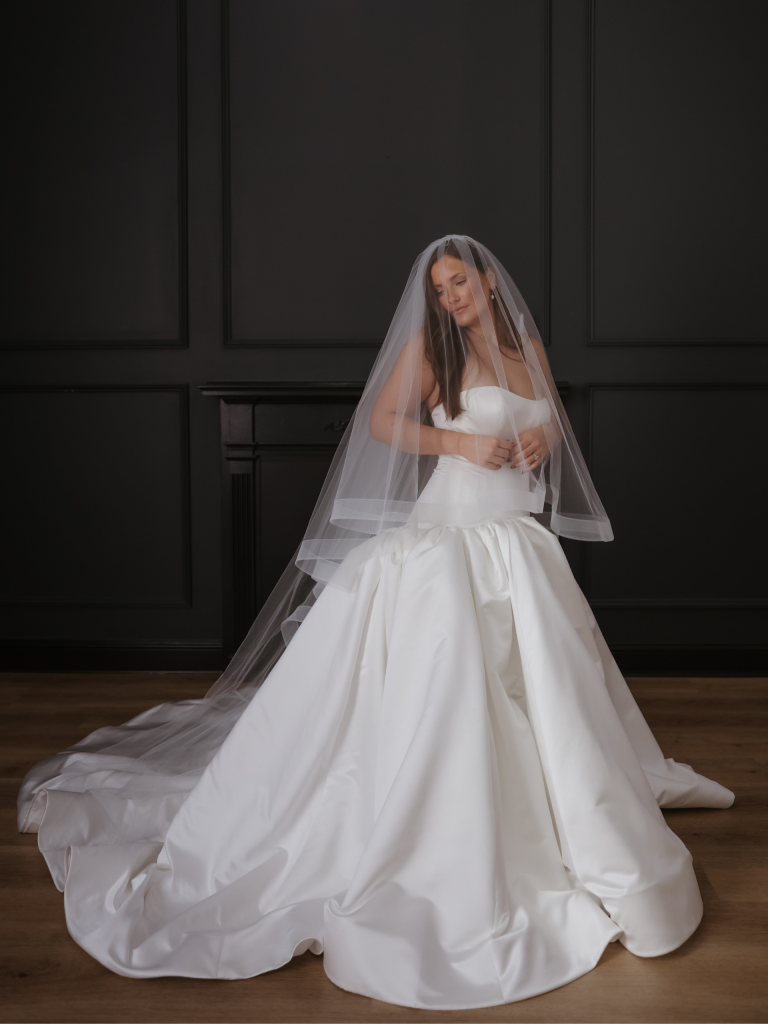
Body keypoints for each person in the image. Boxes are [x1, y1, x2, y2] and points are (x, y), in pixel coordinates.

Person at [17, 236, 733, 1011]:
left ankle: (558, 810)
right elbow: (383, 421)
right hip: (448, 542)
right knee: (451, 687)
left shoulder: (526, 344)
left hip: (518, 543)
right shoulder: (435, 347)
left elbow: (552, 415)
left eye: (461, 282)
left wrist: (540, 438)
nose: (452, 296)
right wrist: (459, 441)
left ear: (489, 280)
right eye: (442, 287)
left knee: (549, 691)